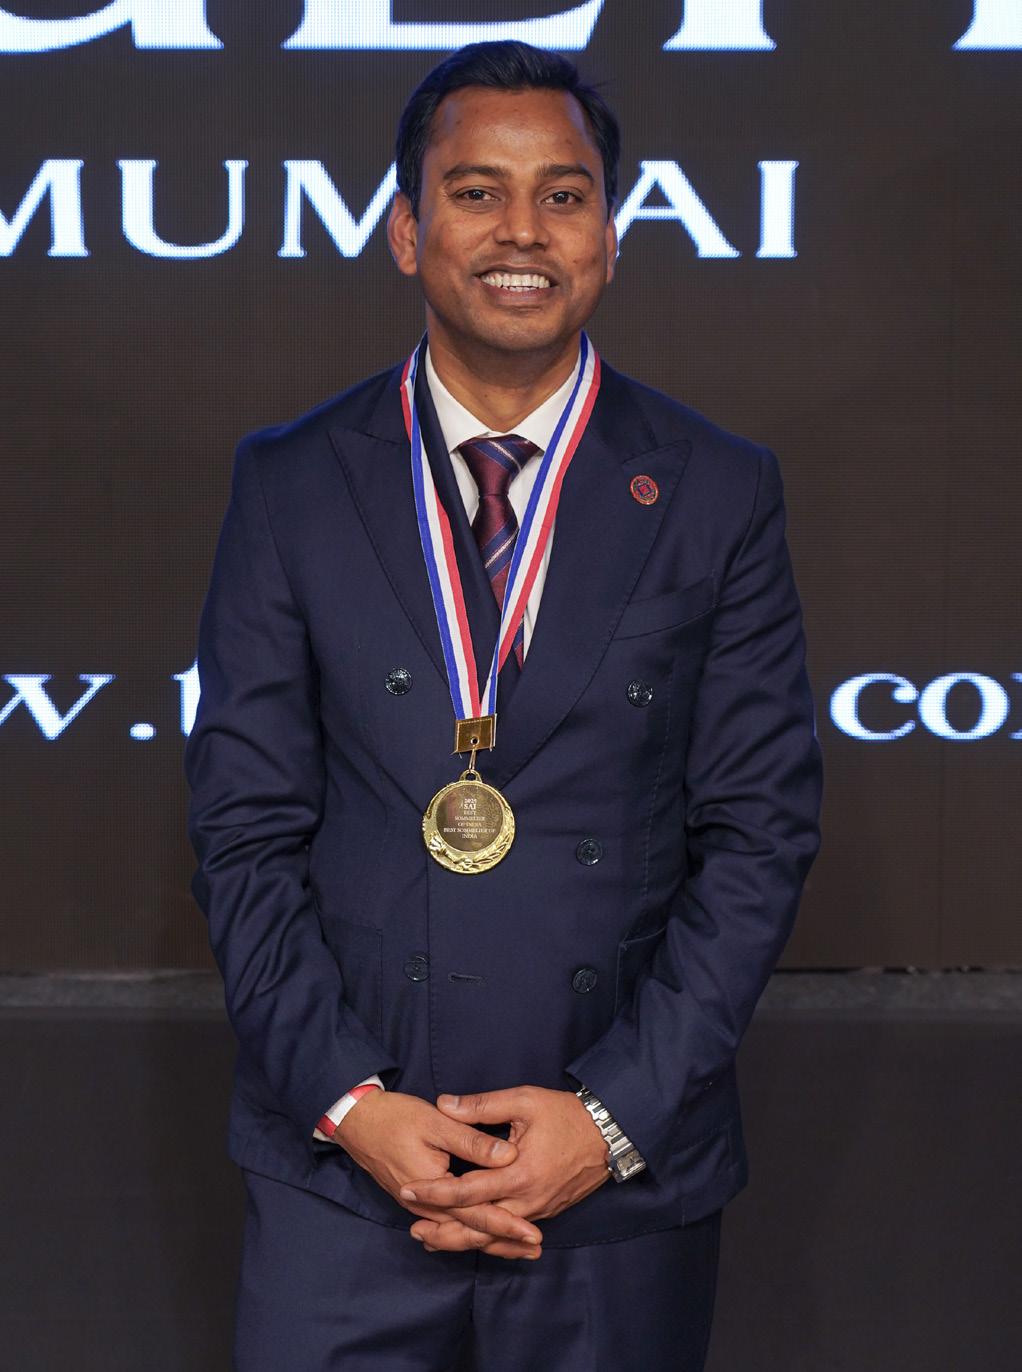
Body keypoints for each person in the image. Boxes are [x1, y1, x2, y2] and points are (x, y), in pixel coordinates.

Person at [185, 39, 822, 1372]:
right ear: (406, 232)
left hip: (613, 1189)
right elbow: (244, 831)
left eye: (563, 195)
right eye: (476, 192)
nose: (521, 230)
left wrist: (609, 1119)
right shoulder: (290, 483)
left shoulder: (716, 487)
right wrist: (353, 1106)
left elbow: (759, 834)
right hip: (344, 1184)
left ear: (611, 237)